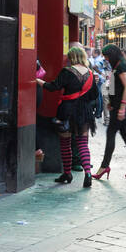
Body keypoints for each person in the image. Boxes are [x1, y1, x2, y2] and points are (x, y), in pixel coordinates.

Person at [37, 46, 98, 187]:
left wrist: (38, 81)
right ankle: (88, 173)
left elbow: (53, 87)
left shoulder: (67, 71)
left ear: (72, 57)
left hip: (67, 110)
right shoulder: (90, 73)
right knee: (83, 143)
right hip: (85, 111)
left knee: (65, 144)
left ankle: (67, 173)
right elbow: (94, 95)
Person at [93, 44, 126, 180]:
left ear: (112, 55)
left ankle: (104, 166)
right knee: (125, 134)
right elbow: (113, 83)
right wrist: (110, 102)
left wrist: (122, 108)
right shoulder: (117, 65)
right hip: (118, 105)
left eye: (107, 56)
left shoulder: (123, 65)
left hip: (122, 105)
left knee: (111, 133)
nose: (106, 59)